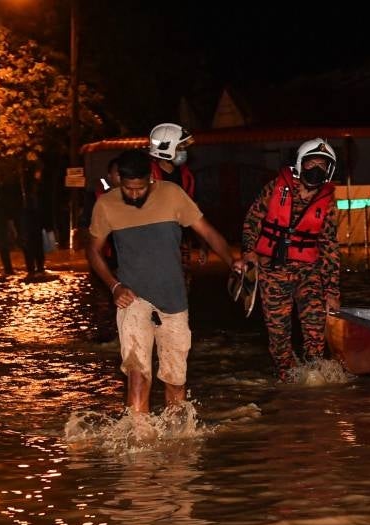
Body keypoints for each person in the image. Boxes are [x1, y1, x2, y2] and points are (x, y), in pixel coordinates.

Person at [86, 149, 243, 415]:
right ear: (119, 180)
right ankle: (138, 445)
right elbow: (92, 250)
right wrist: (114, 286)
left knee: (175, 381)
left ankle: (175, 446)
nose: (134, 195)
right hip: (133, 299)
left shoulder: (172, 194)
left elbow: (207, 231)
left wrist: (232, 260)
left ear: (150, 179)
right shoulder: (106, 205)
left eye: (139, 188)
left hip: (173, 301)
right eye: (127, 189)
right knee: (137, 375)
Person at [240, 138, 341, 382]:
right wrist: (248, 251)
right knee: (278, 332)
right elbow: (252, 221)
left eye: (322, 165)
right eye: (311, 163)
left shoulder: (328, 204)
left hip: (309, 273)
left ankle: (315, 374)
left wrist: (332, 291)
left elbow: (329, 247)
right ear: (300, 164)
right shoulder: (275, 188)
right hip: (272, 272)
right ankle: (286, 376)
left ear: (329, 170)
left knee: (316, 327)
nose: (316, 169)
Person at [148, 122, 208, 282]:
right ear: (166, 148)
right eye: (180, 148)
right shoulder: (146, 176)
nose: (184, 152)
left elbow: (195, 211)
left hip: (180, 239)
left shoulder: (187, 176)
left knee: (181, 287)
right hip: (152, 242)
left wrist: (202, 244)